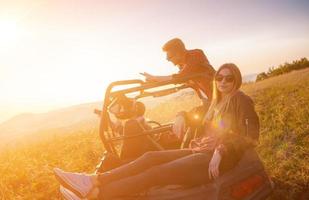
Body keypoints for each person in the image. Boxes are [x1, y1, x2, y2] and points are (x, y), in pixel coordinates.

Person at [54, 63, 260, 200]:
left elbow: (251, 136)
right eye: (219, 77)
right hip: (200, 152)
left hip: (216, 160)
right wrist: (180, 115)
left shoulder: (241, 100)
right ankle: (92, 180)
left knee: (156, 173)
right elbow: (195, 112)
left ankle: (96, 196)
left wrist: (222, 149)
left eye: (229, 78)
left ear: (237, 80)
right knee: (150, 157)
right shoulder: (215, 103)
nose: (223, 81)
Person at [141, 38, 216, 140]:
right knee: (188, 128)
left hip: (218, 102)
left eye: (169, 56)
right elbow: (179, 80)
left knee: (189, 123)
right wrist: (155, 81)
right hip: (207, 103)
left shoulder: (196, 55)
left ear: (179, 53)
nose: (167, 59)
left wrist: (156, 78)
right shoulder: (182, 66)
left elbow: (180, 77)